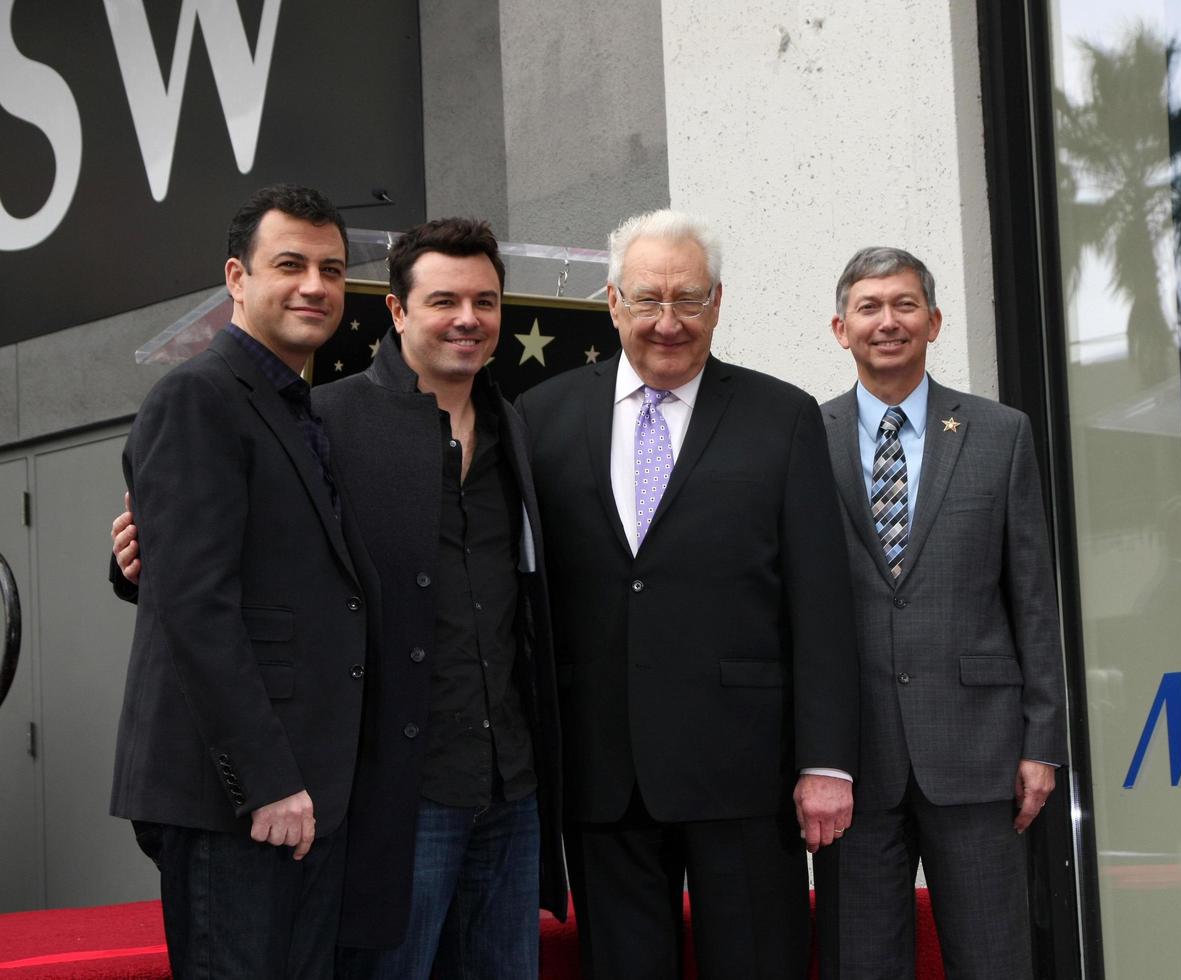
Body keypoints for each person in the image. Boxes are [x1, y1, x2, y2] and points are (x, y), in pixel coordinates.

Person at [113, 218, 567, 979]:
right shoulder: (325, 420)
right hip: (394, 795)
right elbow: (234, 569)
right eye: (443, 299)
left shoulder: (513, 427)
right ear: (396, 311)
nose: (467, 318)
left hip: (509, 787)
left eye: (485, 301)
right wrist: (134, 564)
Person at [514, 209, 860, 980]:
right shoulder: (541, 417)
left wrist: (827, 761)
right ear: (612, 303)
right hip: (602, 775)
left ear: (718, 302)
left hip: (745, 772)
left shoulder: (783, 417)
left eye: (688, 300)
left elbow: (822, 601)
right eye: (648, 300)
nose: (668, 322)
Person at [109, 183, 373, 978]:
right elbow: (197, 608)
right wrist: (266, 783)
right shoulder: (198, 396)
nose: (315, 286)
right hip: (245, 804)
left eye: (331, 269)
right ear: (236, 278)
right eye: (289, 264)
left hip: (305, 794)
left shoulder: (303, 409)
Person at [813, 247, 1066, 980]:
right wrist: (805, 755)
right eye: (869, 307)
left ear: (934, 321)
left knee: (994, 962)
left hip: (980, 753)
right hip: (852, 762)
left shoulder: (1001, 432)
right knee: (861, 963)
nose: (886, 322)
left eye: (903, 305)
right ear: (841, 327)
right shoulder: (802, 436)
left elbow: (1033, 597)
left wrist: (1041, 742)